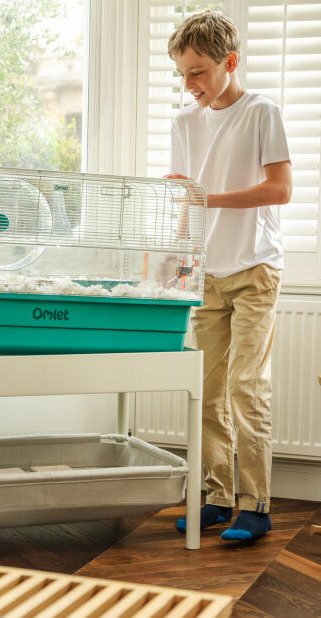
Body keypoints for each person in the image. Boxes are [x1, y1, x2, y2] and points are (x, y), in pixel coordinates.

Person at [164, 10, 292, 541]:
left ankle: (256, 505)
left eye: (197, 72)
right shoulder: (183, 123)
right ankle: (217, 496)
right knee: (208, 387)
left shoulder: (262, 112)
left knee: (245, 385)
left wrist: (206, 198)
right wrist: (177, 256)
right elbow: (185, 201)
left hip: (256, 268)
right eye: (181, 73)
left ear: (229, 62)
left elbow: (280, 190)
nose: (188, 84)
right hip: (206, 272)